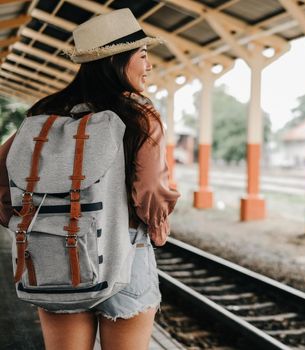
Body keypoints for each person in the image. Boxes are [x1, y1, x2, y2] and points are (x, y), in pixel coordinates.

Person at [0, 8, 180, 350]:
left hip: (54, 252)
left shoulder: (44, 113)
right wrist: (157, 230)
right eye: (143, 56)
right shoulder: (139, 115)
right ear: (118, 60)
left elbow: (4, 173)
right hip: (126, 251)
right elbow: (150, 193)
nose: (149, 65)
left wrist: (19, 221)